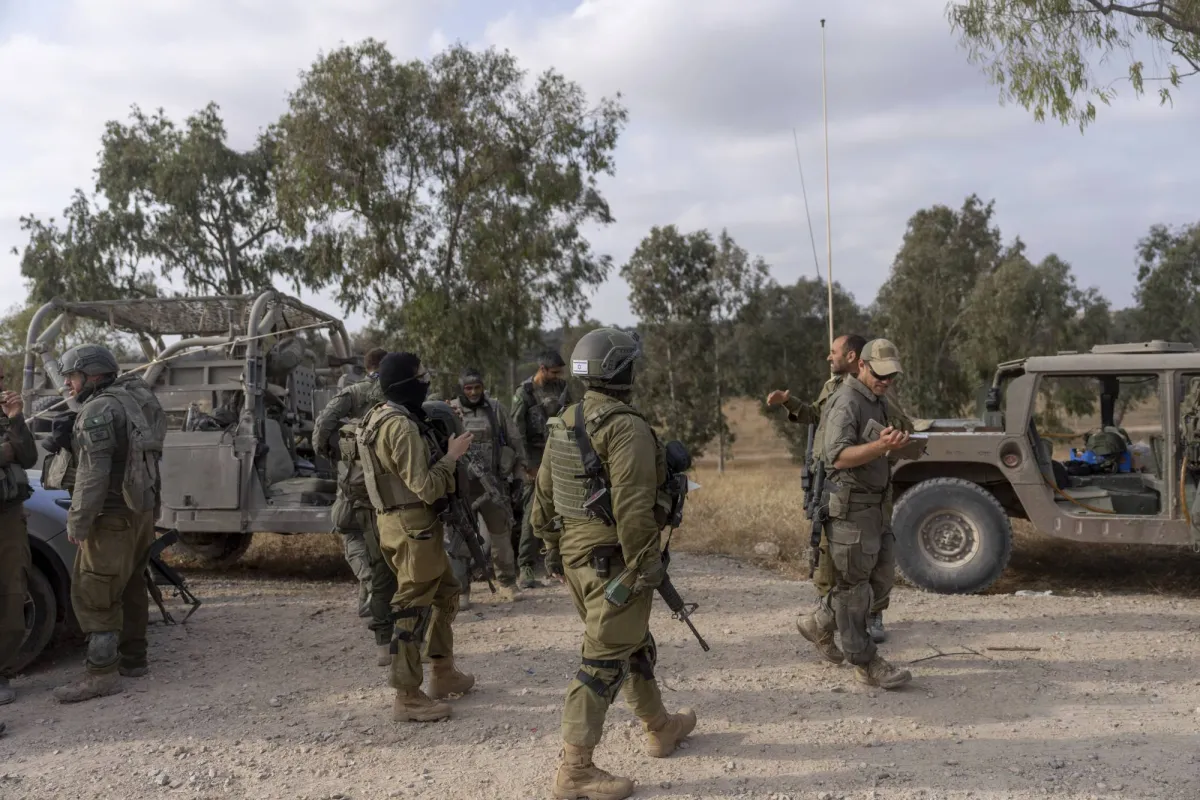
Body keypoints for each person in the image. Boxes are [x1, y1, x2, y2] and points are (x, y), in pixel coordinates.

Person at [531, 328, 696, 800]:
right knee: (602, 660)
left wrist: (552, 550)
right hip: (616, 563)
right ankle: (575, 770)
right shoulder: (626, 427)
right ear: (624, 370)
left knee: (632, 644)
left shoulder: (565, 419)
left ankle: (660, 727)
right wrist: (648, 568)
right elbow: (633, 509)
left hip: (578, 559)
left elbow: (542, 497)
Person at [766, 333, 912, 646]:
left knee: (874, 563)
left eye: (834, 351)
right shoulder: (837, 391)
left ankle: (862, 617)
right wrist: (788, 402)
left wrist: (894, 442)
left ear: (853, 357)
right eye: (881, 374)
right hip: (833, 483)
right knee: (830, 558)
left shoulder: (876, 397)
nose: (829, 357)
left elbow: (901, 425)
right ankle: (833, 625)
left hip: (866, 489)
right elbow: (817, 421)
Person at [356, 352, 476, 721]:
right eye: (421, 376)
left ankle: (442, 670)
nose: (426, 381)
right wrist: (452, 456)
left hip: (400, 523)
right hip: (413, 528)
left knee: (447, 591)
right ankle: (407, 696)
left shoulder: (377, 416)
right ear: (406, 384)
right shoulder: (401, 427)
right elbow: (425, 486)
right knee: (412, 607)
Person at [52, 343, 166, 703]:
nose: (68, 384)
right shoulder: (138, 396)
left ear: (92, 374)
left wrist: (78, 522)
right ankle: (134, 660)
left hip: (111, 516)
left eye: (72, 376)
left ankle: (101, 675)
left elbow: (93, 474)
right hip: (140, 513)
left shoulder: (99, 409)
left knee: (95, 593)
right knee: (131, 585)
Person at [314, 347, 397, 666]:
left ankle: (372, 591)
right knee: (382, 542)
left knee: (351, 533)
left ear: (367, 366)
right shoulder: (396, 391)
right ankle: (373, 599)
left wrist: (329, 452)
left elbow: (324, 424)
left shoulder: (353, 392)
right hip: (387, 482)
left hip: (354, 478)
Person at [449, 367, 526, 602]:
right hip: (462, 488)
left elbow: (515, 442)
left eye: (477, 387)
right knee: (460, 537)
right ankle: (461, 589)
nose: (473, 392)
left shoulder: (495, 409)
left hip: (492, 484)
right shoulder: (450, 410)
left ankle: (507, 582)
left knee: (501, 533)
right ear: (461, 389)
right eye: (468, 388)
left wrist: (518, 477)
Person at [511, 350, 570, 589]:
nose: (558, 376)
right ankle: (526, 564)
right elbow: (517, 433)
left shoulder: (562, 388)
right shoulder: (524, 393)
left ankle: (557, 563)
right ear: (542, 369)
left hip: (559, 452)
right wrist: (527, 465)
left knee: (563, 508)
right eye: (554, 372)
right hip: (534, 459)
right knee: (533, 512)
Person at [0, 370, 40, 713]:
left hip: (8, 517)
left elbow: (27, 456)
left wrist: (15, 419)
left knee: (11, 593)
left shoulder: (7, 416)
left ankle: (1, 672)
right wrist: (5, 452)